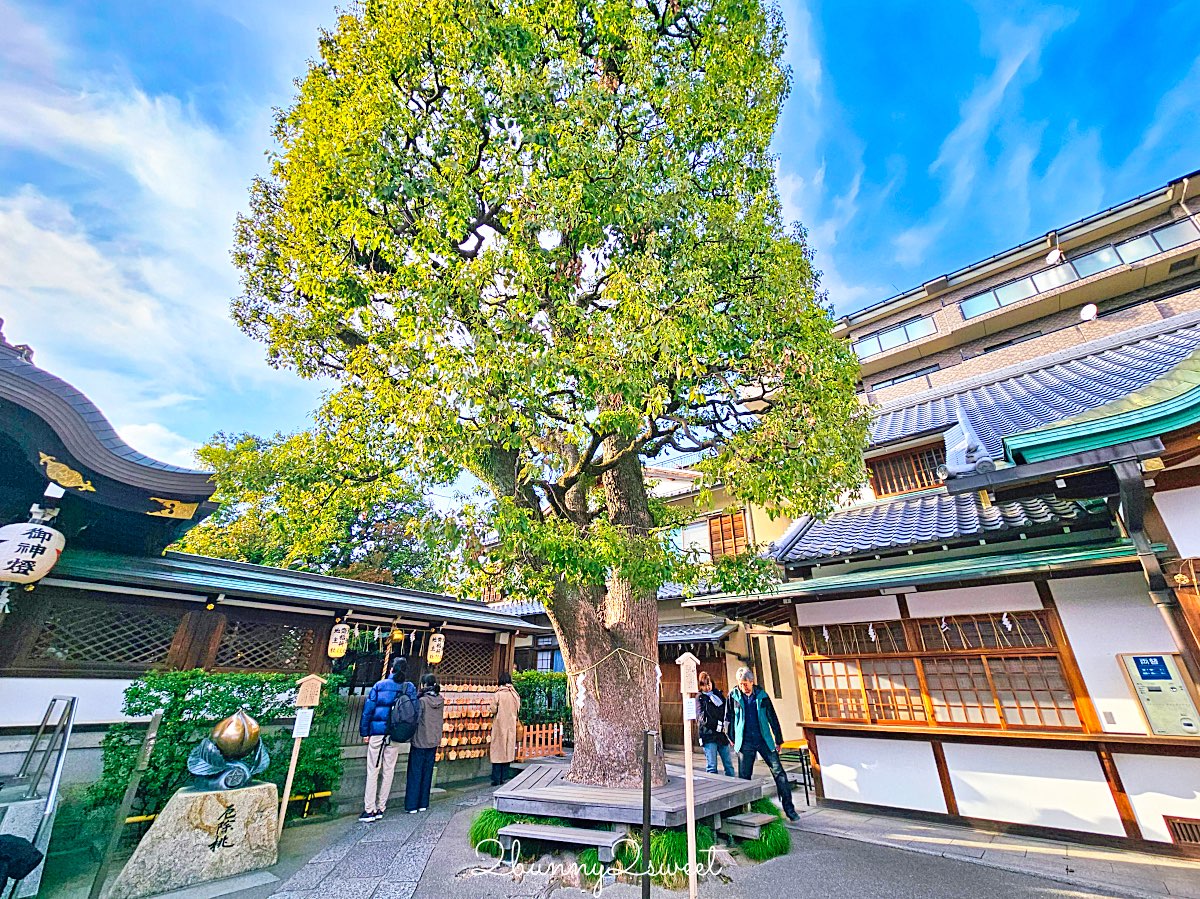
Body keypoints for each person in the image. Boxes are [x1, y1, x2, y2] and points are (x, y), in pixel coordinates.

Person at [729, 667, 799, 821]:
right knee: (744, 777)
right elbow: (729, 718)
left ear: (752, 682)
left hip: (763, 739)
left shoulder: (762, 696)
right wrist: (731, 737)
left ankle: (790, 809)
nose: (743, 687)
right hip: (745, 741)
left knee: (779, 773)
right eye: (741, 684)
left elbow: (772, 718)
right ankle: (744, 811)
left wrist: (778, 739)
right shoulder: (733, 696)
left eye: (745, 683)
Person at [359, 656, 417, 822]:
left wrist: (365, 732)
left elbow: (368, 711)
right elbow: (414, 711)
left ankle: (369, 809)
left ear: (391, 669)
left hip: (378, 732)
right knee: (389, 770)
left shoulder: (380, 685)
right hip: (396, 733)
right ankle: (381, 807)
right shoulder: (408, 687)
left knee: (373, 769)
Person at [405, 673, 444, 813]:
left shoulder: (422, 701)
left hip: (420, 740)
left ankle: (412, 804)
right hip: (433, 740)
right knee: (427, 772)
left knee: (416, 772)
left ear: (423, 685)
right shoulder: (440, 700)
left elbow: (415, 718)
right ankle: (423, 803)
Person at [696, 671, 735, 776]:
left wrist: (726, 727)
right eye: (704, 685)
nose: (707, 687)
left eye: (709, 684)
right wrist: (718, 726)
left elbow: (727, 711)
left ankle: (733, 784)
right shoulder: (700, 698)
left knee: (728, 764)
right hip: (708, 735)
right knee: (712, 765)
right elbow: (702, 718)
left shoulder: (718, 695)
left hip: (722, 735)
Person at [489, 671, 521, 786]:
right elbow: (518, 709)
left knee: (498, 751)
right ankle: (504, 777)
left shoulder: (498, 694)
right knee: (508, 750)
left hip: (499, 725)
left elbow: (493, 709)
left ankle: (496, 778)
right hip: (511, 726)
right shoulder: (514, 694)